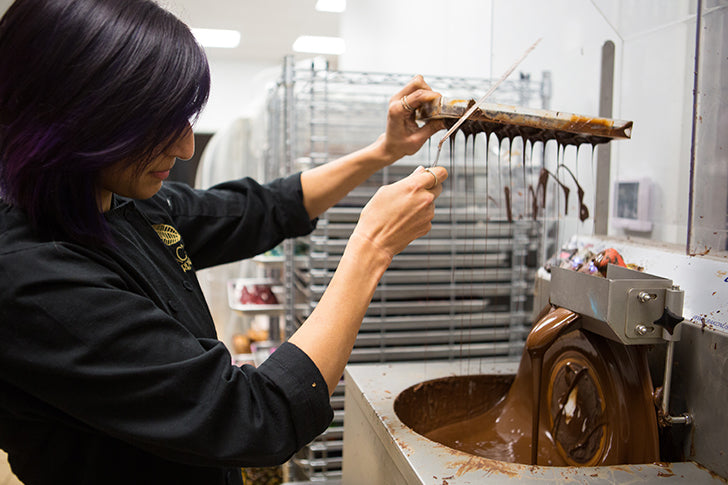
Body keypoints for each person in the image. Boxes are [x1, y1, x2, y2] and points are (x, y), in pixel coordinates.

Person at [0, 0, 447, 483]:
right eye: (156, 124)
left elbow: (265, 208)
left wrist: (385, 151)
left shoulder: (113, 198)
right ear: (70, 115)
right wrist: (371, 247)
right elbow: (256, 416)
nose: (186, 146)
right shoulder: (35, 284)